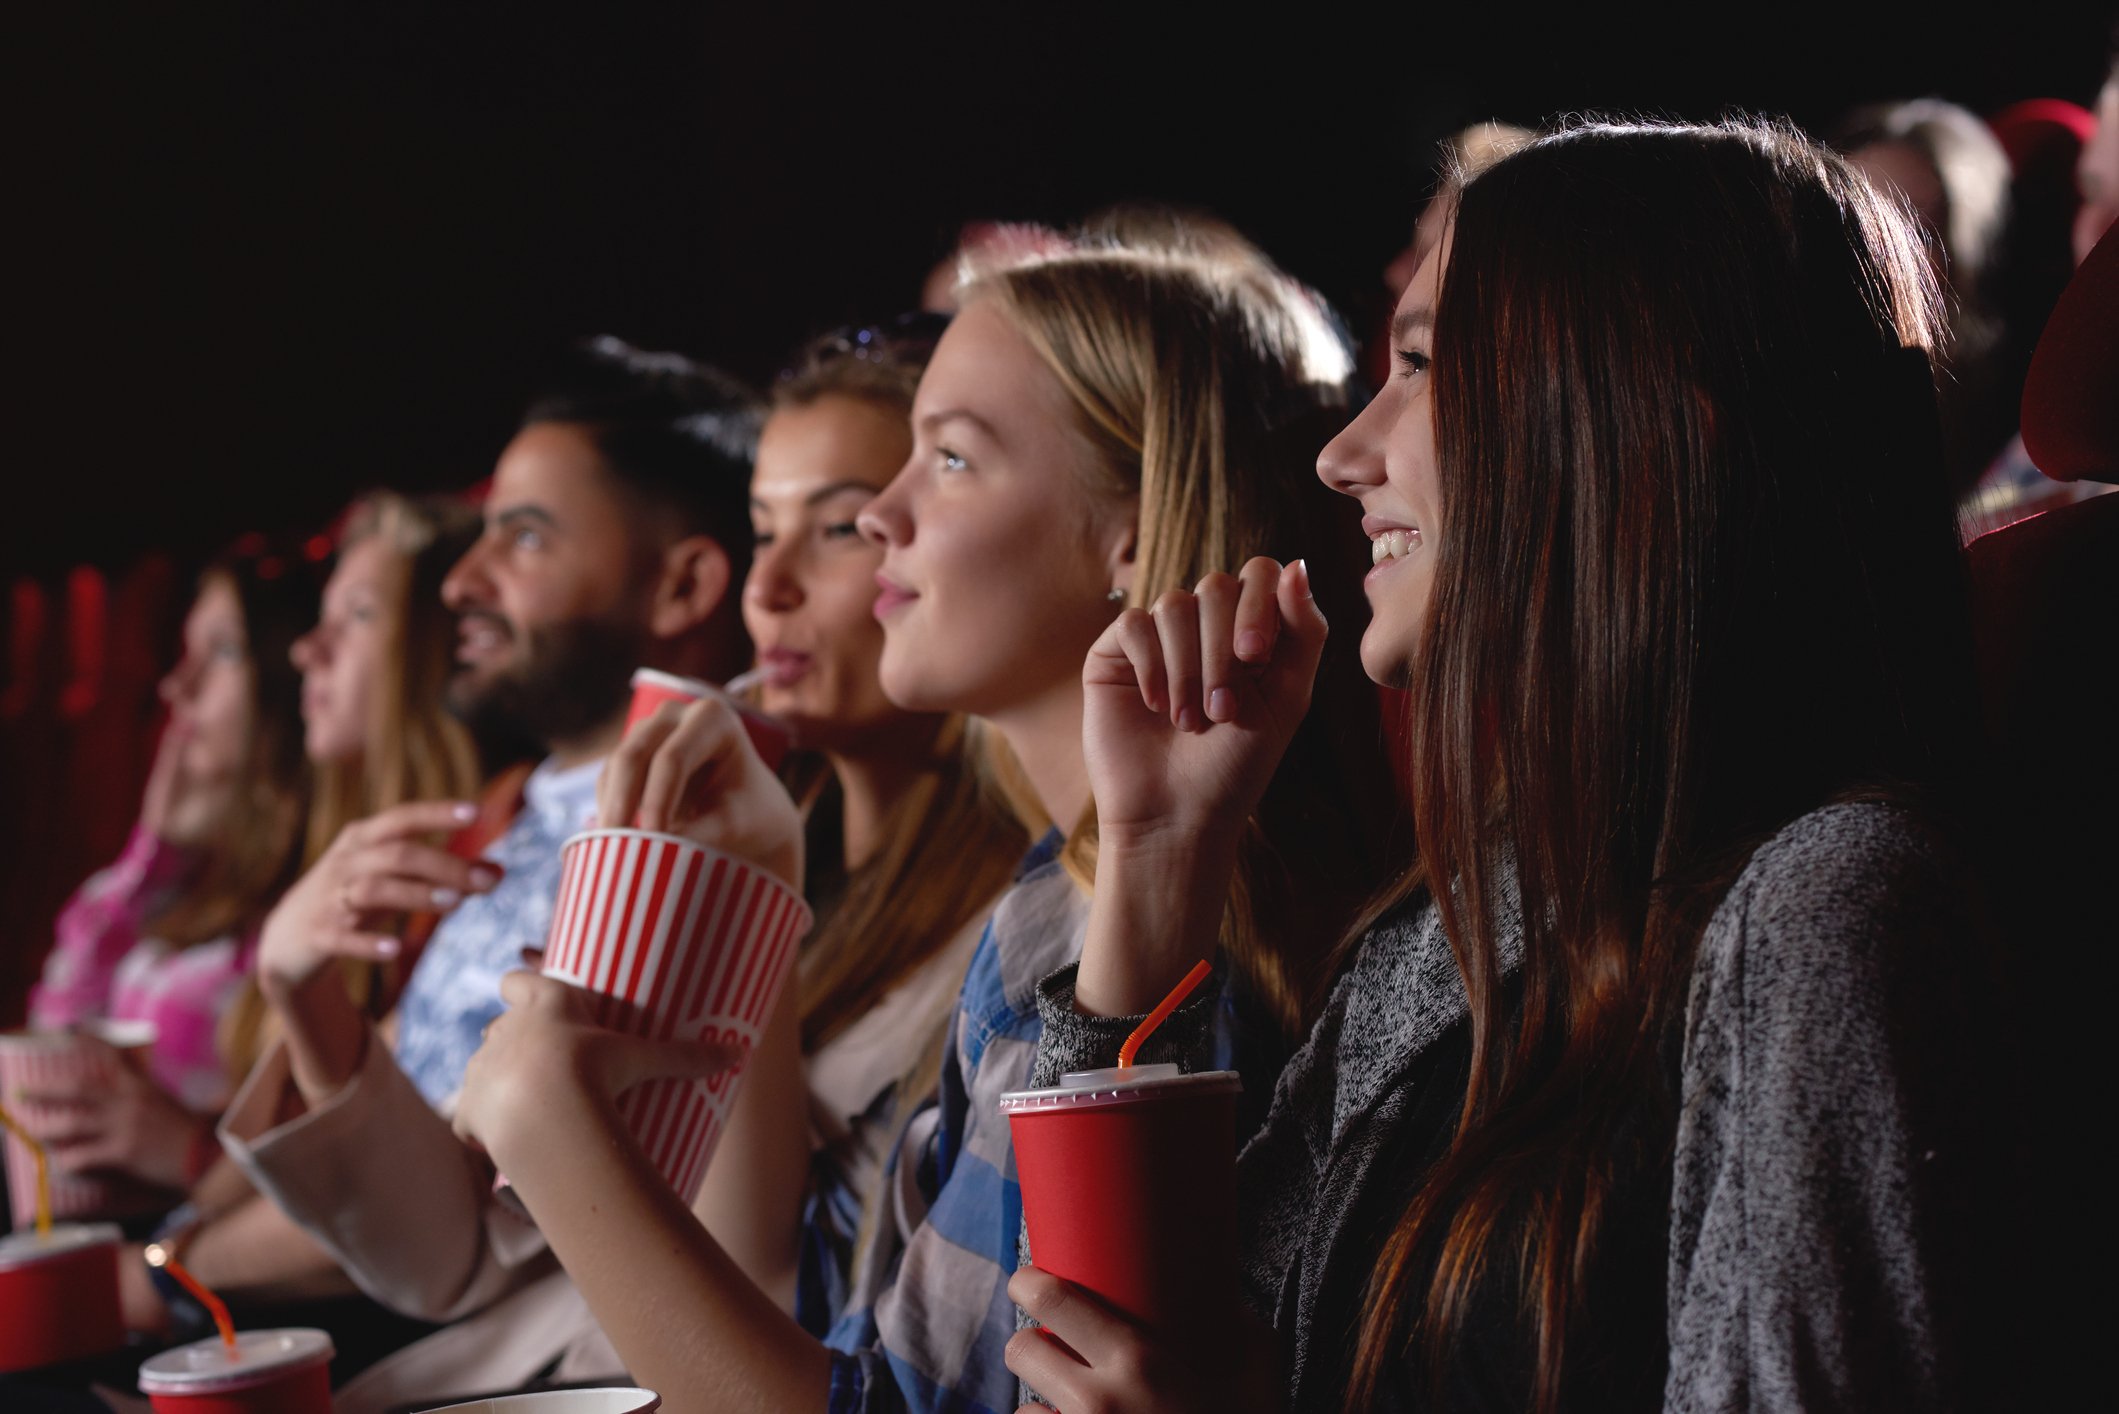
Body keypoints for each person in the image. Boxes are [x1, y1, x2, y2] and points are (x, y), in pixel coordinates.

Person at [1003, 119, 1992, 1413]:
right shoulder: (1448, 928)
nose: (1342, 455)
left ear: (1635, 433)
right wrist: (1157, 854)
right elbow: (1087, 1350)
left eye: (1418, 363)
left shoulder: (1825, 911)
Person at [450, 222, 1394, 1413]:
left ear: (1133, 529)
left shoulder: (1130, 930)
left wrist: (551, 1128)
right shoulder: (1059, 883)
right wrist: (752, 890)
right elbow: (793, 1318)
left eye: (947, 459)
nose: (883, 519)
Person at [213, 338, 761, 1410]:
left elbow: (473, 1240)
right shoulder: (498, 807)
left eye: (523, 538)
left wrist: (168, 1274)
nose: (462, 582)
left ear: (683, 582)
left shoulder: (705, 835)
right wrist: (299, 983)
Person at [117, 492, 499, 1362]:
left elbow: (403, 1191)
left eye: (358, 615)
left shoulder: (481, 856)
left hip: (378, 1323)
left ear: (444, 646)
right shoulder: (345, 866)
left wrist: (162, 1266)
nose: (306, 650)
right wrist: (166, 1251)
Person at [742, 320, 1028, 1330]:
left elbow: (765, 1286)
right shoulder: (789, 836)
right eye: (759, 528)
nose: (766, 588)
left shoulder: (1015, 917)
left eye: (833, 527)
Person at [20, 543, 315, 1197]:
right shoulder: (199, 882)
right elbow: (54, 1038)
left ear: (294, 672)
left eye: (224, 651)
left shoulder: (313, 901)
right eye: (185, 653)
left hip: (217, 1258)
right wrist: (149, 857)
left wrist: (189, 1154)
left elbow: (341, 1178)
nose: (177, 686)